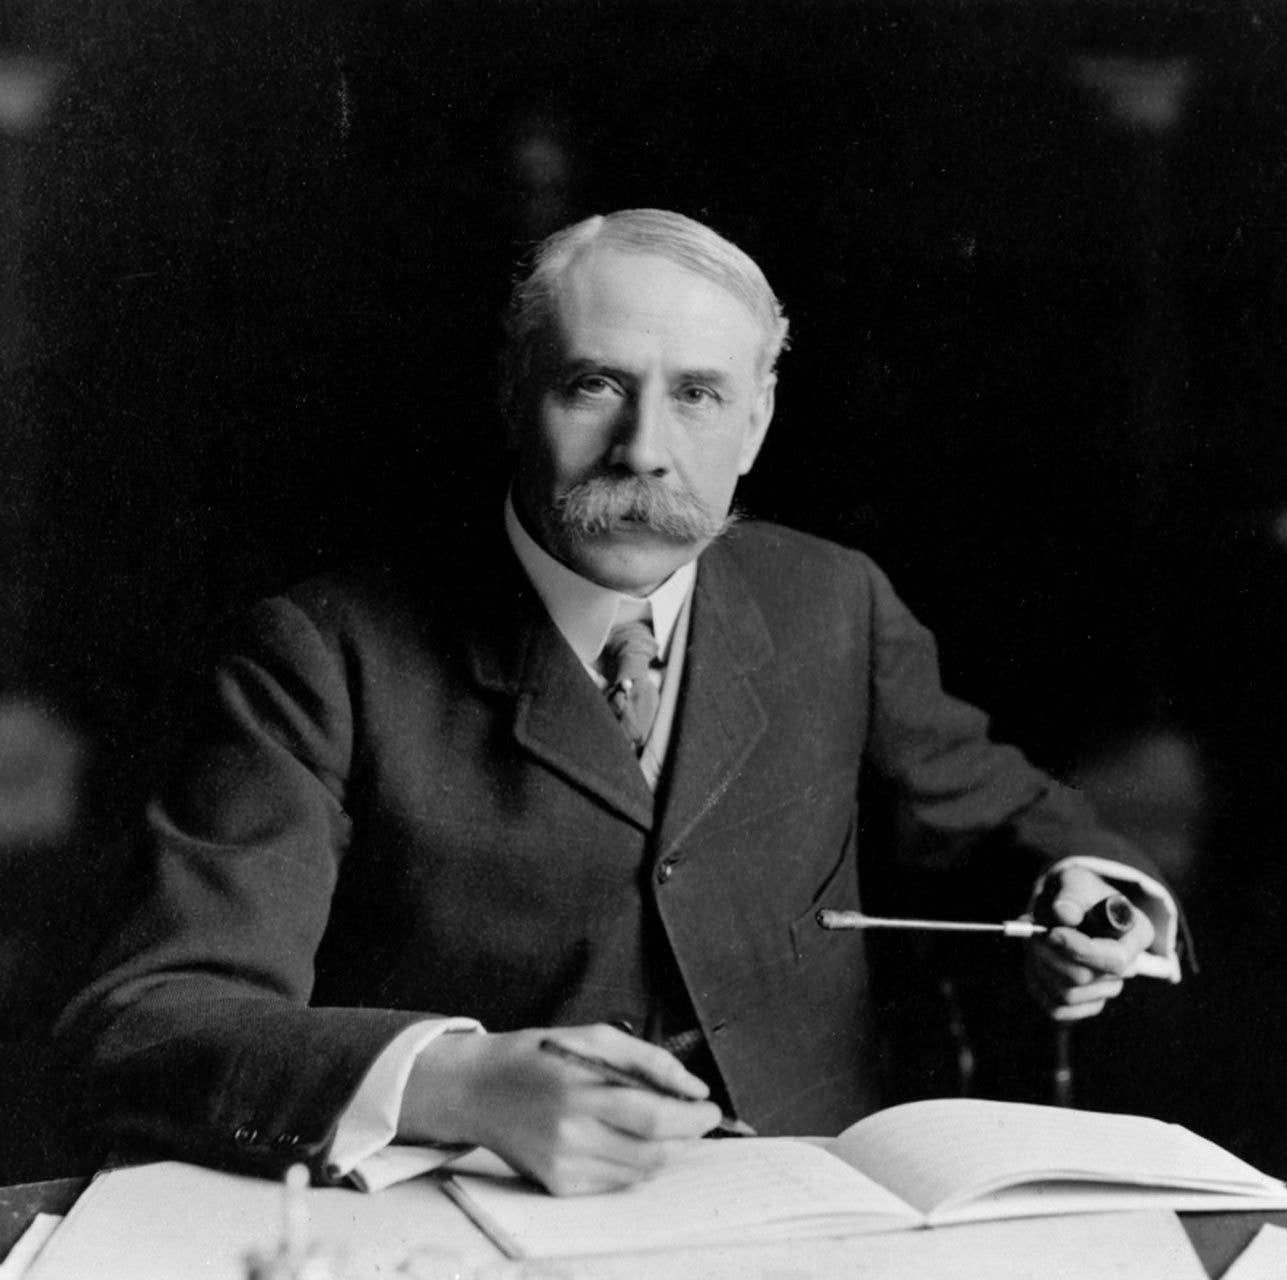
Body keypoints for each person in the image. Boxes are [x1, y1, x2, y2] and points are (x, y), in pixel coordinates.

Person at [57, 209, 1181, 1198]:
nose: (646, 448)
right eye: (594, 384)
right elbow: (149, 1015)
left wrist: (1084, 886)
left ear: (758, 420)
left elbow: (998, 813)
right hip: (483, 1219)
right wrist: (458, 1080)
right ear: (513, 393)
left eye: (698, 395)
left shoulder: (831, 600)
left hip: (821, 1211)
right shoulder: (324, 653)